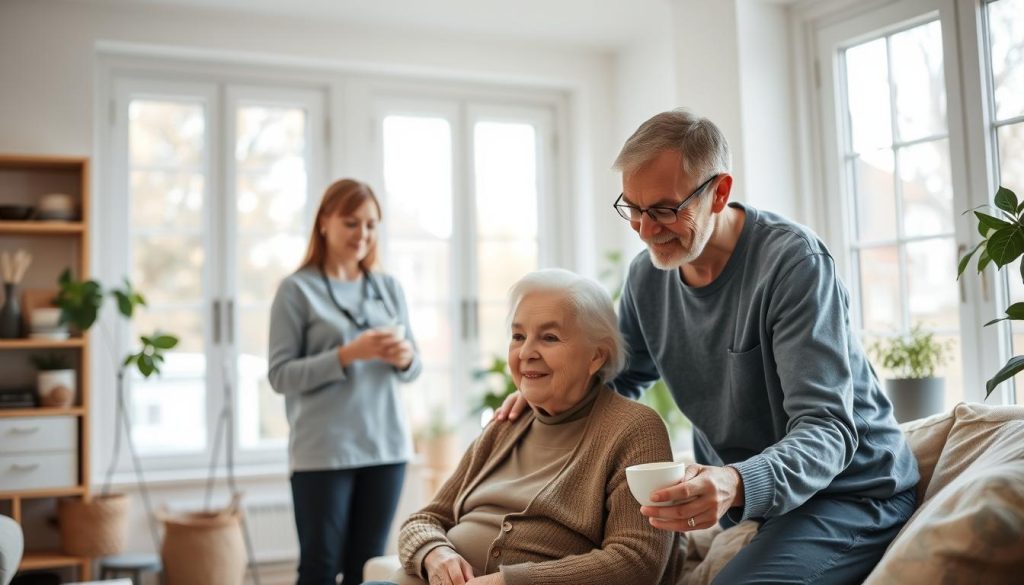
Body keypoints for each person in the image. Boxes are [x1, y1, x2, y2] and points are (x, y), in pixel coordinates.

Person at [496, 109, 920, 584]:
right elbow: (618, 379)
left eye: (664, 209)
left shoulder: (792, 265)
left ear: (719, 192)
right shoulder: (646, 279)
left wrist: (734, 481)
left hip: (852, 493)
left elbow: (827, 428)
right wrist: (550, 388)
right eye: (633, 208)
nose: (645, 228)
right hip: (759, 505)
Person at [367, 268, 680, 585]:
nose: (527, 352)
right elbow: (425, 519)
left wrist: (505, 582)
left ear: (596, 356)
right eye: (518, 336)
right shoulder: (505, 425)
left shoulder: (633, 429)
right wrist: (435, 554)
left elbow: (637, 562)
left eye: (549, 337)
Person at [268, 178, 422, 585]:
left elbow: (415, 365)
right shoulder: (296, 290)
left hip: (386, 449)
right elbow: (280, 375)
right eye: (351, 223)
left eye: (371, 225)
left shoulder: (388, 287)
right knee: (319, 566)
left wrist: (405, 357)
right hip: (324, 454)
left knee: (368, 567)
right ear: (324, 223)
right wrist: (348, 354)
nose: (363, 235)